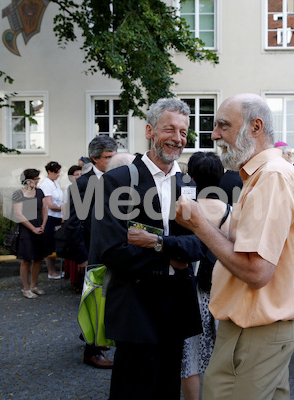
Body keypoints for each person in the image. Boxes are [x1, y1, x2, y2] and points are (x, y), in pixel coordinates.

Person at [175, 93, 294, 400]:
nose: (214, 135)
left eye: (223, 125)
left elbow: (256, 270)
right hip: (262, 329)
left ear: (256, 127)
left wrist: (199, 225)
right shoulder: (264, 175)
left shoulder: (271, 177)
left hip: (253, 332)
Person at [90, 98, 204, 399]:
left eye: (183, 131)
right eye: (170, 129)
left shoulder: (188, 182)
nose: (177, 138)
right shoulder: (117, 181)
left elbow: (200, 243)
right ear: (150, 130)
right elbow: (112, 248)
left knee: (168, 392)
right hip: (136, 307)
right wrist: (170, 259)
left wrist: (157, 242)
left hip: (176, 308)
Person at [180, 151, 231, 400]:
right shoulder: (230, 211)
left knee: (189, 356)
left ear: (191, 177)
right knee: (220, 351)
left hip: (189, 287)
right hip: (222, 287)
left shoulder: (185, 209)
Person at [64, 135, 117, 369]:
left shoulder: (115, 179)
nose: (112, 160)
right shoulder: (81, 183)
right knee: (94, 301)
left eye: (114, 156)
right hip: (91, 252)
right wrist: (82, 256)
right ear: (95, 158)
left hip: (110, 249)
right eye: (108, 157)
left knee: (105, 299)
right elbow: (74, 222)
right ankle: (91, 351)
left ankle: (94, 337)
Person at [12, 169, 48, 299]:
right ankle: (25, 288)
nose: (38, 181)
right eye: (36, 178)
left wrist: (43, 225)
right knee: (26, 259)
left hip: (39, 227)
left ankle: (33, 285)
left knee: (38, 258)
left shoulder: (39, 192)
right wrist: (32, 228)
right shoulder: (18, 193)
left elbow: (44, 210)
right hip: (26, 229)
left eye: (38, 178)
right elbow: (18, 214)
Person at [39, 161, 63, 279]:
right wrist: (63, 208)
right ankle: (51, 271)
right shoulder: (46, 184)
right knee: (49, 244)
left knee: (56, 244)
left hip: (58, 216)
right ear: (49, 172)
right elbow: (50, 204)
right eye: (56, 172)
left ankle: (55, 270)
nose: (58, 174)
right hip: (50, 217)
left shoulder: (55, 183)